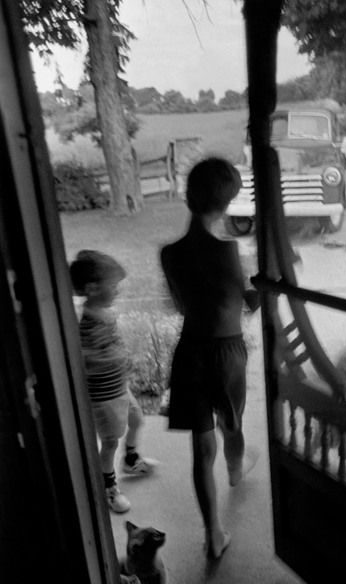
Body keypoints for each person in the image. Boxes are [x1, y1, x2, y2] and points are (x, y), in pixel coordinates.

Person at [160, 157, 260, 559]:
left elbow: (183, 306)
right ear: (224, 203)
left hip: (190, 353)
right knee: (231, 423)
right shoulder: (227, 251)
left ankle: (213, 534)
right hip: (226, 352)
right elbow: (248, 304)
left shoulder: (170, 254)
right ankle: (235, 471)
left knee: (201, 450)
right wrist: (269, 285)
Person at [70, 250, 158, 514]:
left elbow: (112, 345)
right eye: (113, 286)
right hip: (104, 396)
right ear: (92, 288)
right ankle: (108, 488)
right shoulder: (86, 324)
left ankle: (131, 460)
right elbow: (85, 360)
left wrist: (121, 358)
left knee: (137, 420)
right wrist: (113, 357)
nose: (118, 291)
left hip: (119, 388)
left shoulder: (105, 314)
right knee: (109, 443)